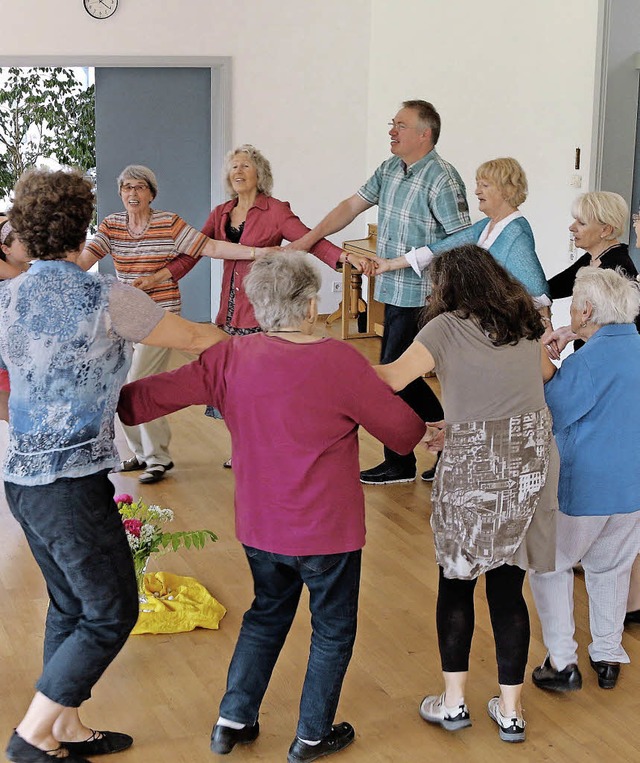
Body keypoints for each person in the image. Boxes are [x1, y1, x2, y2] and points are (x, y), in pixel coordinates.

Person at [117, 253, 426, 763]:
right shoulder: (339, 360)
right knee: (332, 628)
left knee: (265, 614)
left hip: (261, 527)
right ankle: (310, 736)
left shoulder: (228, 358)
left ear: (259, 306)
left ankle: (232, 719)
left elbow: (136, 403)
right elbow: (402, 433)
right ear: (308, 307)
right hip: (328, 531)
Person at [0, 168, 227, 763]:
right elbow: (194, 337)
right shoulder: (105, 296)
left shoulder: (7, 295)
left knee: (71, 605)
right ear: (82, 227)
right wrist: (254, 337)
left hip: (22, 480)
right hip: (71, 484)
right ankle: (29, 739)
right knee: (111, 609)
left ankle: (66, 728)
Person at [376, 244, 558, 743]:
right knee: (507, 588)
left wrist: (321, 360)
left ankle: (453, 703)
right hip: (526, 465)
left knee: (456, 583)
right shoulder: (525, 324)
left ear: (447, 288)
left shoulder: (444, 327)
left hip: (474, 470)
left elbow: (392, 377)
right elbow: (545, 377)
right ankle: (512, 710)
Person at [290, 99, 470, 485]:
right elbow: (349, 206)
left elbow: (462, 241)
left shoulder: (443, 178)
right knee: (400, 374)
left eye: (400, 125)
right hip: (392, 288)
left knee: (394, 375)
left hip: (427, 294)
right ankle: (438, 444)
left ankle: (413, 455)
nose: (392, 131)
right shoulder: (389, 169)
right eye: (392, 123)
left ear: (425, 134)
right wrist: (309, 238)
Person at [78, 164, 273, 484]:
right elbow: (85, 260)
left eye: (139, 187)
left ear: (151, 193)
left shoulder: (168, 223)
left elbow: (209, 246)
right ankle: (140, 454)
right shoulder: (112, 225)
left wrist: (257, 251)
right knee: (118, 384)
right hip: (124, 319)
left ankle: (158, 458)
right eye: (126, 187)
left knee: (138, 383)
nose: (132, 193)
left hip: (160, 317)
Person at [191, 144, 374, 467]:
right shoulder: (221, 213)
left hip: (262, 308)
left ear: (260, 174)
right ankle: (245, 446)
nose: (238, 172)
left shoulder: (274, 210)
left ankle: (268, 444)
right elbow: (194, 248)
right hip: (229, 310)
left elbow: (308, 238)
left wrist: (343, 258)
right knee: (234, 384)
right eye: (233, 167)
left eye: (245, 166)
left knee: (260, 384)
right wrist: (160, 273)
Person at [371, 157, 550, 480]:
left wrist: (542, 336)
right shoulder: (489, 226)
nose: (476, 190)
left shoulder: (515, 234)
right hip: (483, 336)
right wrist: (388, 265)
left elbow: (538, 292)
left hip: (499, 339)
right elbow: (440, 248)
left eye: (485, 184)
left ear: (507, 190)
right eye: (477, 182)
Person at [530, 267, 640, 692]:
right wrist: (572, 338)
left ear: (587, 309)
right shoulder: (632, 346)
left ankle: (562, 661)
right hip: (631, 487)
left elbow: (554, 406)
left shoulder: (589, 362)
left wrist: (549, 359)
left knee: (550, 564)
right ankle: (608, 655)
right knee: (611, 567)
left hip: (586, 487)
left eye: (574, 304)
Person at [544, 191, 638, 355]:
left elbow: (612, 330)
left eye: (582, 223)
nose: (572, 228)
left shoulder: (618, 268)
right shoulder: (592, 258)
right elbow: (551, 289)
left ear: (606, 230)